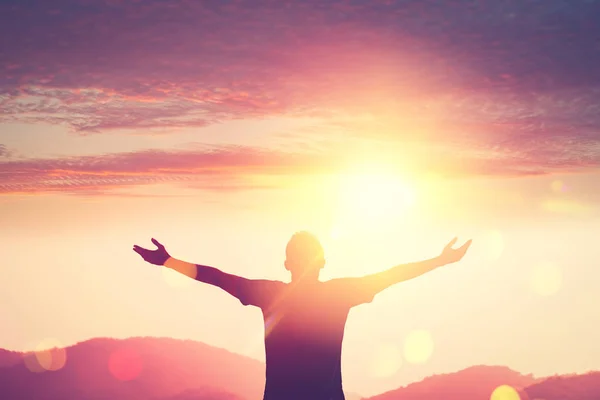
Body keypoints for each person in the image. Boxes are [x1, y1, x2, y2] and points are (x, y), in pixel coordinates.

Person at [133, 232, 471, 400]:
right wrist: (439, 261)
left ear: (287, 263)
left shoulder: (270, 294)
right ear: (323, 262)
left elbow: (217, 277)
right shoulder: (337, 294)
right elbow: (392, 274)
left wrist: (168, 262)